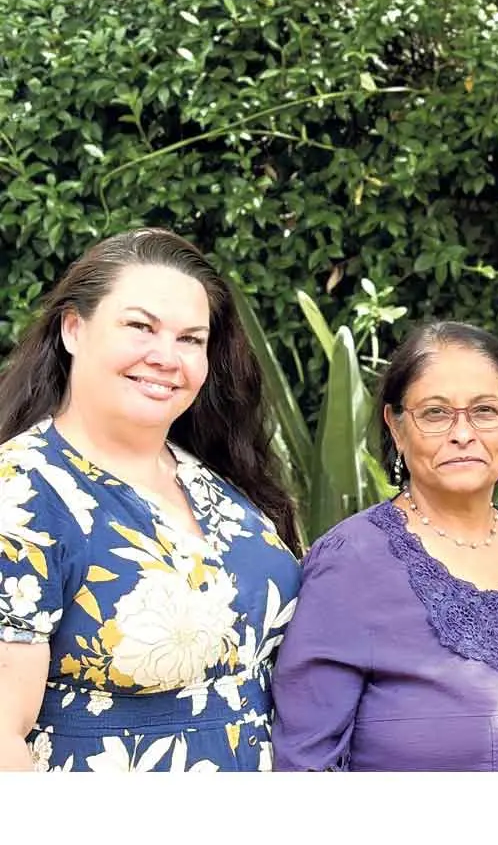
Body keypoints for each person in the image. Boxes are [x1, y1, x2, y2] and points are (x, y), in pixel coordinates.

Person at [0, 227, 302, 772]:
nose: (167, 356)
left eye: (191, 339)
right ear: (74, 328)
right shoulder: (22, 493)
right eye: (140, 326)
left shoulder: (219, 485)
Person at [271, 321, 498, 770]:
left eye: (485, 410)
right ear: (396, 426)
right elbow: (305, 760)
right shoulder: (352, 560)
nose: (463, 434)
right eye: (435, 413)